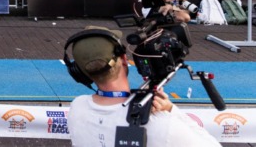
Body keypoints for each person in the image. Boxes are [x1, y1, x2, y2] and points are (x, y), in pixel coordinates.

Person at [66, 26, 220, 147]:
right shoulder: (160, 123)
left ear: (79, 72)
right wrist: (171, 111)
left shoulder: (77, 107)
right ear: (124, 60)